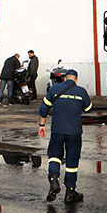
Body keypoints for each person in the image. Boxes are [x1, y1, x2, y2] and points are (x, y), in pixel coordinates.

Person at [38, 69, 92, 203]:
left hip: (57, 130)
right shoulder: (81, 91)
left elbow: (44, 108)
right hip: (74, 132)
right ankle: (70, 192)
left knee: (54, 156)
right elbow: (88, 108)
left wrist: (42, 125)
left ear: (64, 78)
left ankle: (54, 181)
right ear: (76, 80)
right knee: (72, 161)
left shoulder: (54, 89)